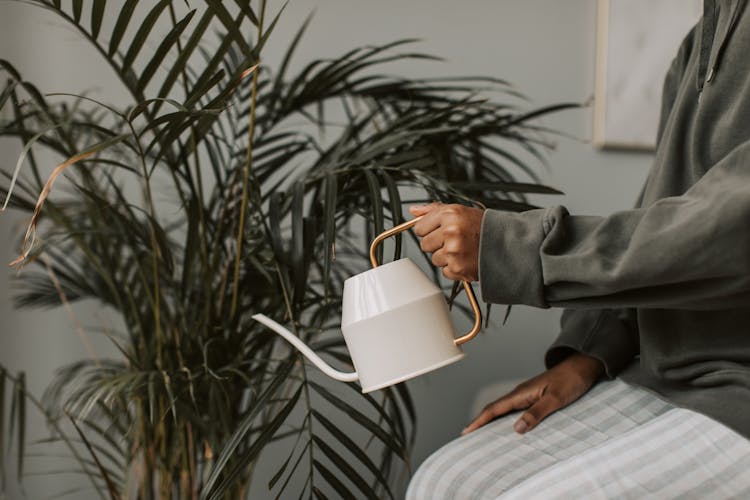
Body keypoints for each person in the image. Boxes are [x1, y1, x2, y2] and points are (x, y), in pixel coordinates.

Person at [406, 0, 750, 498]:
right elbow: (665, 209)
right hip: (675, 374)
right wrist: (592, 350)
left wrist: (514, 249)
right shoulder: (705, 36)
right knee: (444, 483)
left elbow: (731, 230)